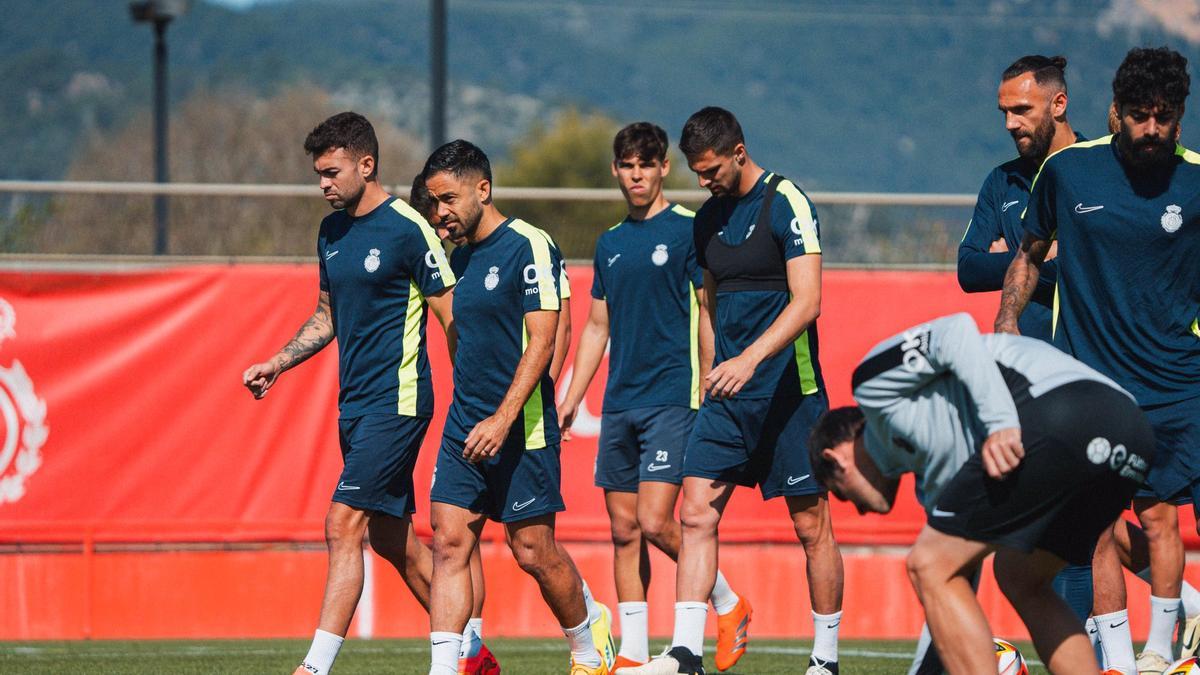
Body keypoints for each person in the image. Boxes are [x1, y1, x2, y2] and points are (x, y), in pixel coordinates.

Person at [241, 112, 469, 675]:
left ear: (367, 165)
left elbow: (452, 318)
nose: (323, 183)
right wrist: (279, 361)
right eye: (318, 173)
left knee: (343, 523)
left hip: (399, 402)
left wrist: (478, 400)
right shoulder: (331, 232)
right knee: (396, 543)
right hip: (355, 408)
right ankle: (470, 654)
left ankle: (315, 667)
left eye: (331, 171)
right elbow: (326, 315)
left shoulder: (408, 228)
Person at [995, 46, 1200, 674]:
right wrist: (1006, 326)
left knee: (1161, 519)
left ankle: (1162, 656)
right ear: (1115, 112)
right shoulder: (1067, 172)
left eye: (1163, 117)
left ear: (1180, 118)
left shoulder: (1197, 180)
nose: (1150, 129)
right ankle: (1114, 661)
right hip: (1094, 381)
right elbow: (1030, 253)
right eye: (1138, 115)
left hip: (1180, 381)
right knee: (1102, 522)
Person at [812, 313, 1154, 674]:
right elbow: (953, 586)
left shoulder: (869, 386)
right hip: (1132, 434)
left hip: (1062, 416)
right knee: (1020, 576)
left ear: (835, 458)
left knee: (928, 563)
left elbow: (955, 330)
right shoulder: (936, 479)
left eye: (843, 495)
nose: (860, 510)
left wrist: (1000, 423)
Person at [628, 107, 843, 675]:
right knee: (695, 513)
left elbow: (808, 300)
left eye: (711, 169)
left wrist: (749, 358)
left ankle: (825, 660)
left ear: (739, 153)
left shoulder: (785, 201)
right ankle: (685, 654)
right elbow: (708, 305)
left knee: (810, 525)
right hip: (727, 397)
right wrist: (710, 373)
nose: (704, 181)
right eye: (697, 173)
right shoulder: (706, 221)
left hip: (789, 392)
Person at [557, 122, 746, 672]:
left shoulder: (689, 230)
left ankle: (729, 604)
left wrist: (712, 384)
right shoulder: (610, 243)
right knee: (622, 531)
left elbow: (707, 311)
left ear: (664, 168)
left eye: (646, 164)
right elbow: (596, 326)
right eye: (626, 165)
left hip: (673, 397)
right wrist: (572, 395)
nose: (636, 175)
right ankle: (635, 656)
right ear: (616, 171)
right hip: (620, 403)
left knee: (658, 520)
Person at [421, 140, 610, 675]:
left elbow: (544, 340)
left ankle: (589, 652)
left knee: (534, 553)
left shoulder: (530, 244)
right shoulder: (459, 258)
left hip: (521, 425)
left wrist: (505, 418)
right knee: (449, 542)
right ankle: (444, 669)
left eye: (449, 199)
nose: (442, 212)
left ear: (483, 189)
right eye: (435, 203)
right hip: (464, 425)